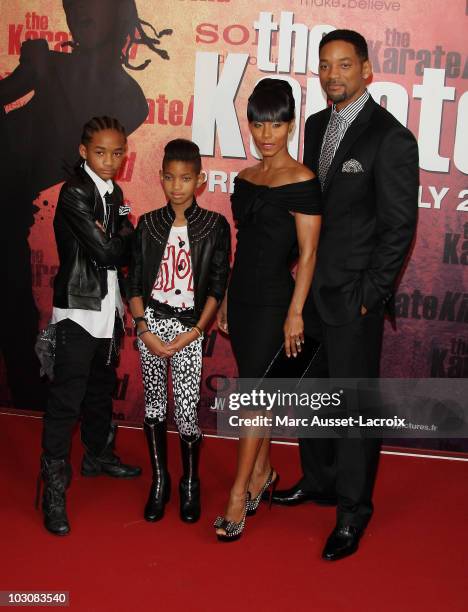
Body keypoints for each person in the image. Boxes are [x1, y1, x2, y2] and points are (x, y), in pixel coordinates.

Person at [272, 30, 419, 561]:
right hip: (309, 290)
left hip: (353, 297)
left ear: (366, 70)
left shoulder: (391, 138)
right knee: (311, 396)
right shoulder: (314, 126)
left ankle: (353, 511)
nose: (333, 75)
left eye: (344, 66)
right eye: (326, 66)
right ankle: (319, 480)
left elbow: (400, 229)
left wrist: (370, 296)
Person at [0, 0, 172, 409]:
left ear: (119, 13)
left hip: (9, 208)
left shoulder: (129, 100)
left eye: (94, 2)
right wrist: (33, 73)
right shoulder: (50, 64)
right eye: (74, 3)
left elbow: (73, 151)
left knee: (15, 307)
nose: (82, 11)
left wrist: (42, 76)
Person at [214, 79, 322, 541]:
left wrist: (296, 312)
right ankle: (264, 474)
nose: (267, 134)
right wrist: (223, 301)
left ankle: (238, 495)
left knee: (256, 400)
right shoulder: (244, 180)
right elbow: (243, 246)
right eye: (258, 124)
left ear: (291, 125)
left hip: (278, 301)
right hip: (241, 302)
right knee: (255, 394)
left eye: (276, 124)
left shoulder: (303, 181)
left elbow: (310, 253)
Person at [37, 116, 142, 536]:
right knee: (67, 399)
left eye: (118, 153)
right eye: (101, 152)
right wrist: (117, 238)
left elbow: (124, 230)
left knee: (100, 389)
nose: (110, 160)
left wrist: (119, 234)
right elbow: (108, 252)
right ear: (84, 151)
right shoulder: (73, 193)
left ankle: (97, 454)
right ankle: (53, 491)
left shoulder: (115, 192)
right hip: (78, 310)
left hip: (108, 309)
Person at [128, 139, 230, 524]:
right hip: (151, 324)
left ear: (199, 180)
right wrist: (143, 328)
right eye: (170, 178)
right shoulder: (148, 224)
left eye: (185, 178)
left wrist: (195, 333)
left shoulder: (215, 226)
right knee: (155, 406)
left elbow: (217, 285)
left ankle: (190, 482)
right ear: (160, 178)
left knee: (186, 412)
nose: (177, 186)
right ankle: (161, 480)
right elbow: (133, 280)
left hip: (190, 329)